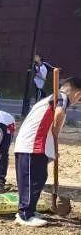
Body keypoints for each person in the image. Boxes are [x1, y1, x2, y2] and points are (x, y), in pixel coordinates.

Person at [13, 77, 81, 227]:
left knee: (38, 178)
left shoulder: (53, 97)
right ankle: (25, 215)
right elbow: (58, 113)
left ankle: (28, 210)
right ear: (77, 94)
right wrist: (56, 133)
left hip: (33, 145)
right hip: (32, 145)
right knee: (32, 180)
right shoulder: (61, 97)